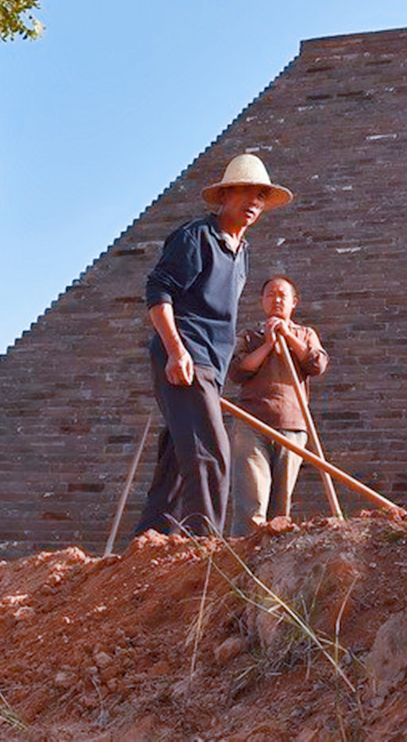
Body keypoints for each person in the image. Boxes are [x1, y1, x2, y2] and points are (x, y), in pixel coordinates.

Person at [134, 153, 294, 537]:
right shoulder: (196, 237)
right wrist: (176, 350)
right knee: (212, 453)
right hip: (189, 358)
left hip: (212, 365)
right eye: (245, 191)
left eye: (260, 195)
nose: (253, 201)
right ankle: (204, 548)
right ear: (224, 195)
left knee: (177, 459)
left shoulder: (242, 253)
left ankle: (150, 544)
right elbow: (159, 292)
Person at [227, 275, 329, 533]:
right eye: (271, 294)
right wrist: (269, 343)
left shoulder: (306, 334)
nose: (277, 299)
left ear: (294, 302)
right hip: (252, 423)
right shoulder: (250, 336)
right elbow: (237, 371)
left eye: (283, 295)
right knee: (251, 503)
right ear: (262, 302)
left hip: (292, 426)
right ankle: (242, 562)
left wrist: (288, 335)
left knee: (280, 509)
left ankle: (271, 562)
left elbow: (317, 364)